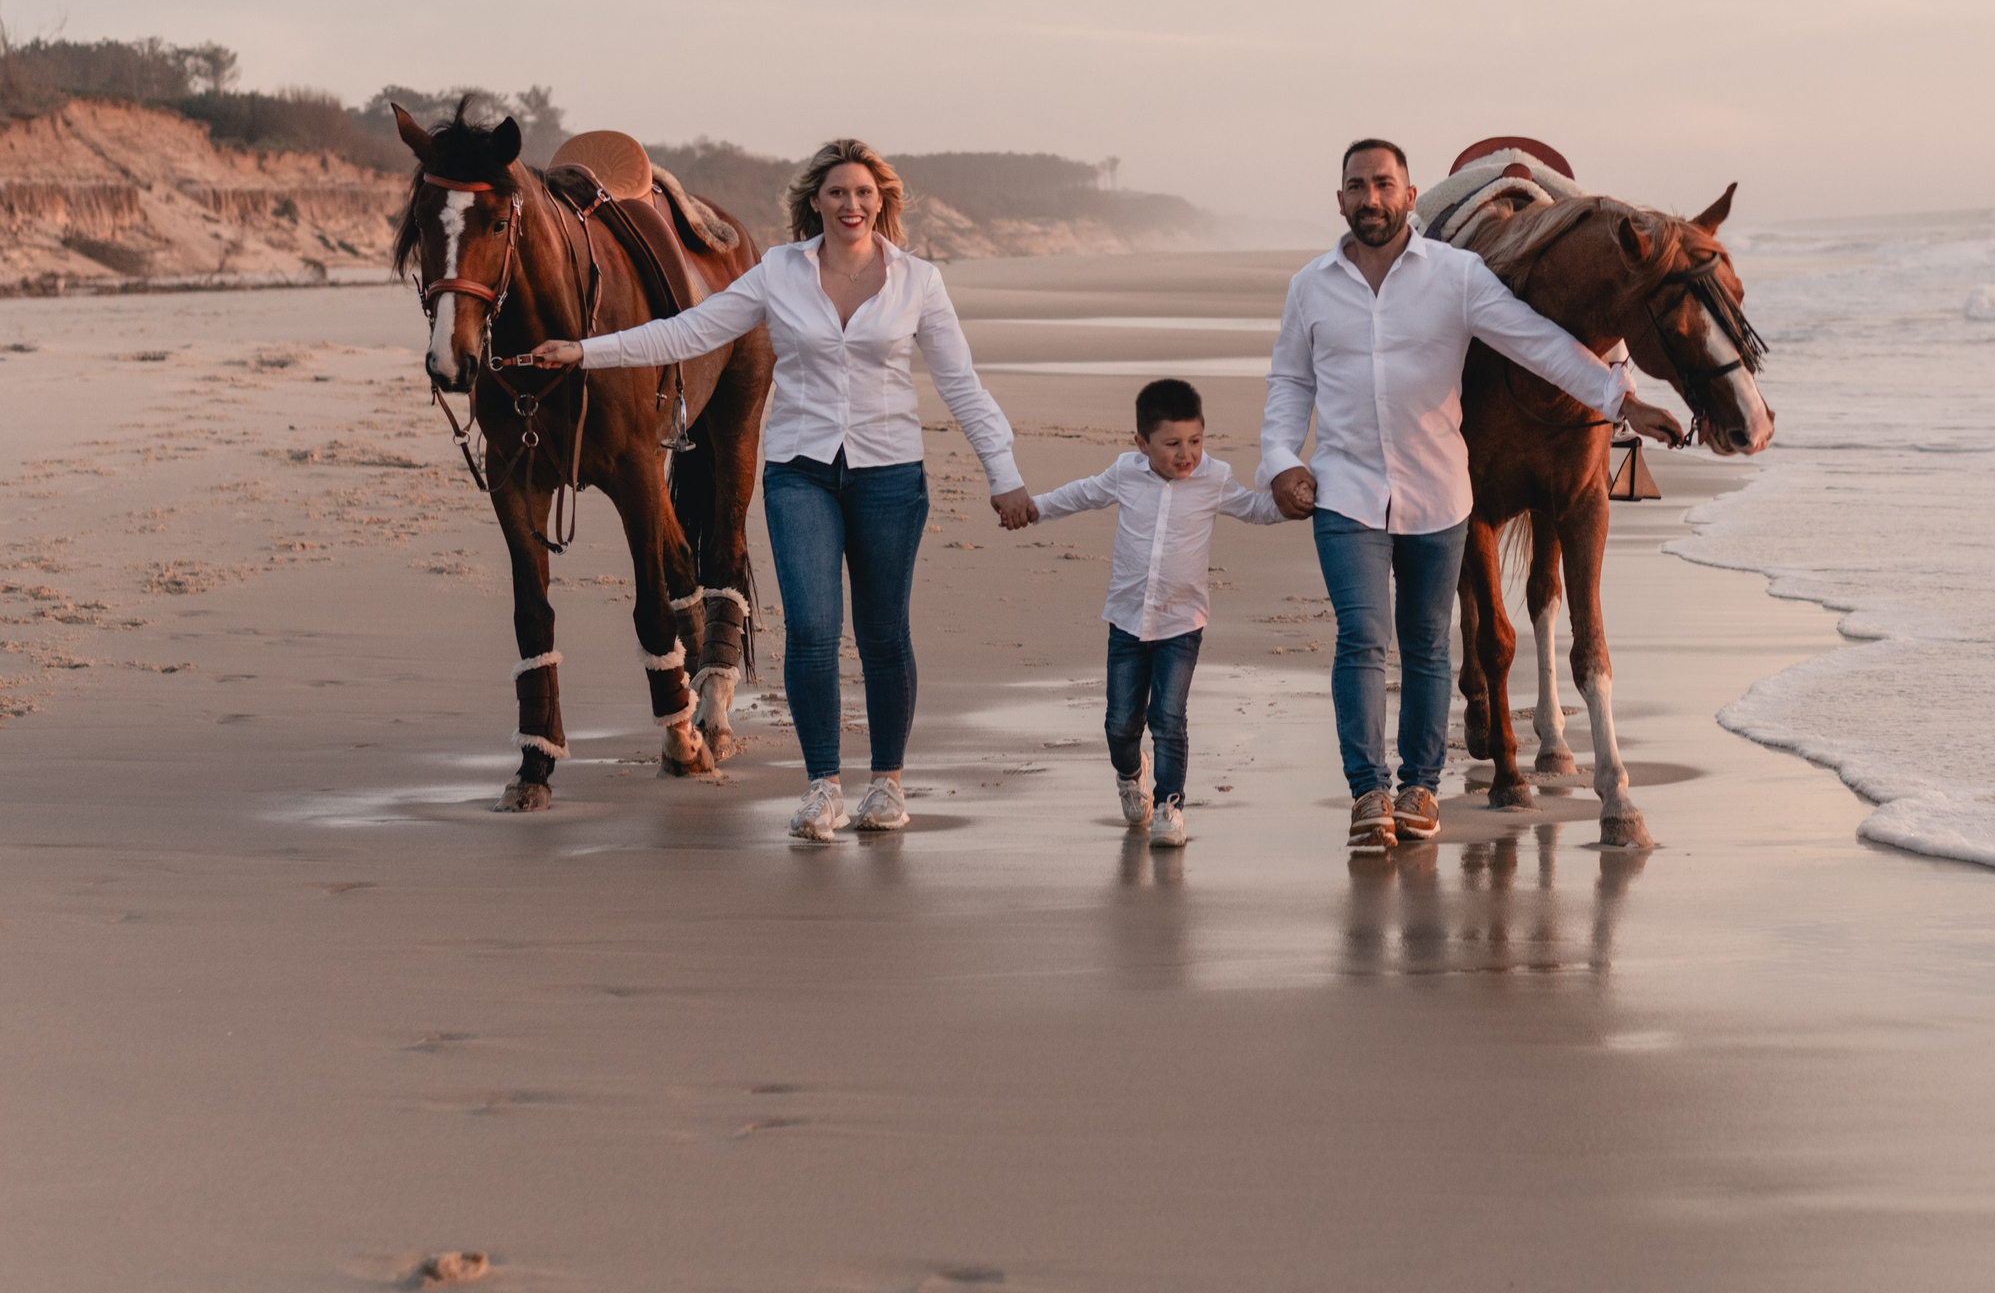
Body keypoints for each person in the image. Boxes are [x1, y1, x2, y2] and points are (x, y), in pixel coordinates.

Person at [522, 137, 1034, 842]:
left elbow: (961, 385)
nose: (851, 205)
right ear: (814, 203)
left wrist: (1003, 474)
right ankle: (822, 787)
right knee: (814, 632)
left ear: (880, 201)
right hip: (801, 473)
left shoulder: (919, 280)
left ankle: (886, 785)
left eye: (863, 194)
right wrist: (587, 351)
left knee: (883, 635)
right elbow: (687, 331)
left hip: (890, 474)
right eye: (836, 194)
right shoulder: (777, 273)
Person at [1260, 138, 1688, 855]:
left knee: (1428, 645)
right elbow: (1289, 383)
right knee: (1363, 639)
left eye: (1384, 184)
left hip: (1436, 492)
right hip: (1346, 491)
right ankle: (1369, 792)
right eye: (1357, 186)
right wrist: (1278, 457)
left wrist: (1623, 401)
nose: (1371, 198)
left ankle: (1420, 787)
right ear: (1341, 199)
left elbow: (1535, 342)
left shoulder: (1456, 276)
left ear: (1408, 195)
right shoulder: (1311, 286)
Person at [1008, 377, 1286, 849]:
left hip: (1182, 623)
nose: (1187, 454)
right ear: (1142, 443)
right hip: (1128, 620)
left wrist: (1299, 501)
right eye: (1173, 444)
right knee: (1121, 722)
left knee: (1169, 717)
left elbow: (1257, 509)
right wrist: (1036, 509)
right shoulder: (1125, 471)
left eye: (1195, 441)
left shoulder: (1214, 478)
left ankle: (1170, 806)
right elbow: (1083, 493)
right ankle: (1130, 771)